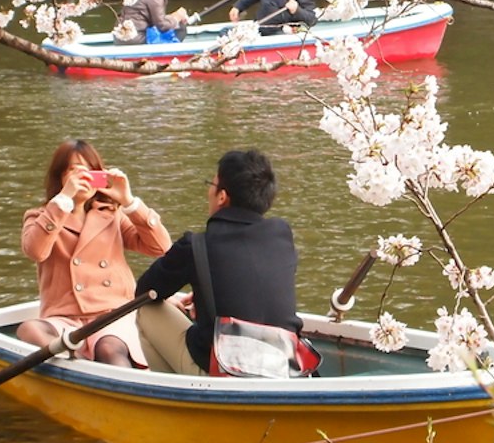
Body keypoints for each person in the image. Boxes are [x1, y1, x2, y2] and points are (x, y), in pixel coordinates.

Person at [134, 149, 302, 377]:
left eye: (211, 185)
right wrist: (206, 290)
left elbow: (146, 292)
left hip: (227, 371)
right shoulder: (282, 234)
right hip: (283, 366)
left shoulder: (196, 244)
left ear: (222, 196)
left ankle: (180, 398)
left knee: (146, 310)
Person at [18, 139, 172, 367]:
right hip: (65, 318)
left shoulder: (112, 215)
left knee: (109, 348)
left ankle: (129, 395)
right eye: (74, 170)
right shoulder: (42, 216)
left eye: (90, 171)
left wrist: (128, 202)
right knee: (29, 329)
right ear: (61, 177)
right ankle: (75, 365)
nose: (84, 178)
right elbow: (36, 251)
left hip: (112, 314)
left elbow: (160, 247)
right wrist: (63, 201)